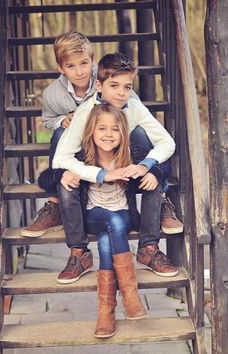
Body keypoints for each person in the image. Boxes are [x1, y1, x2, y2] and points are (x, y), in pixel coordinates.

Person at [50, 52, 179, 284]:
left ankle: (149, 247)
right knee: (65, 179)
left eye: (127, 87)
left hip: (126, 166)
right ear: (98, 86)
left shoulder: (135, 108)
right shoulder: (86, 111)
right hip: (91, 167)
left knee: (153, 168)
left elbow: (167, 142)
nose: (121, 93)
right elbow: (61, 157)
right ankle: (79, 253)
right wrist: (100, 174)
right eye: (114, 86)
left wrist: (146, 167)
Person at [21, 31, 97, 237]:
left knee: (140, 133)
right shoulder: (52, 94)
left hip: (106, 138)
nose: (80, 72)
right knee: (59, 133)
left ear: (93, 60)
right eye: (71, 66)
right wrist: (61, 120)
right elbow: (47, 120)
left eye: (84, 63)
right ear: (61, 68)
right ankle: (55, 203)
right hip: (75, 144)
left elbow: (128, 103)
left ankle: (159, 199)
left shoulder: (106, 77)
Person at [82, 103, 146, 338]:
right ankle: (130, 295)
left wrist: (146, 169)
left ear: (123, 133)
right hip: (93, 214)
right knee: (113, 225)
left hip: (123, 213)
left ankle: (105, 312)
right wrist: (67, 172)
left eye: (115, 129)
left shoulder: (129, 156)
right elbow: (49, 178)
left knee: (109, 238)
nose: (108, 135)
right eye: (102, 129)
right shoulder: (82, 157)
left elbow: (163, 167)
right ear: (91, 130)